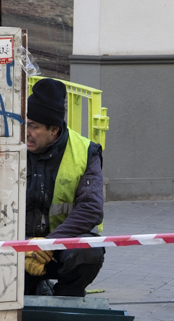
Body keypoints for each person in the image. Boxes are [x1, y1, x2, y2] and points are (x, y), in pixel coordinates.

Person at [24, 78, 105, 297]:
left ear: (54, 130)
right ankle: (29, 290)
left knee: (89, 252)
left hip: (59, 246)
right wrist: (25, 246)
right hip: (19, 246)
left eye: (33, 126)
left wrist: (49, 244)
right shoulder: (12, 148)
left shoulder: (84, 151)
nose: (25, 131)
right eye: (24, 123)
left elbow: (91, 209)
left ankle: (65, 299)